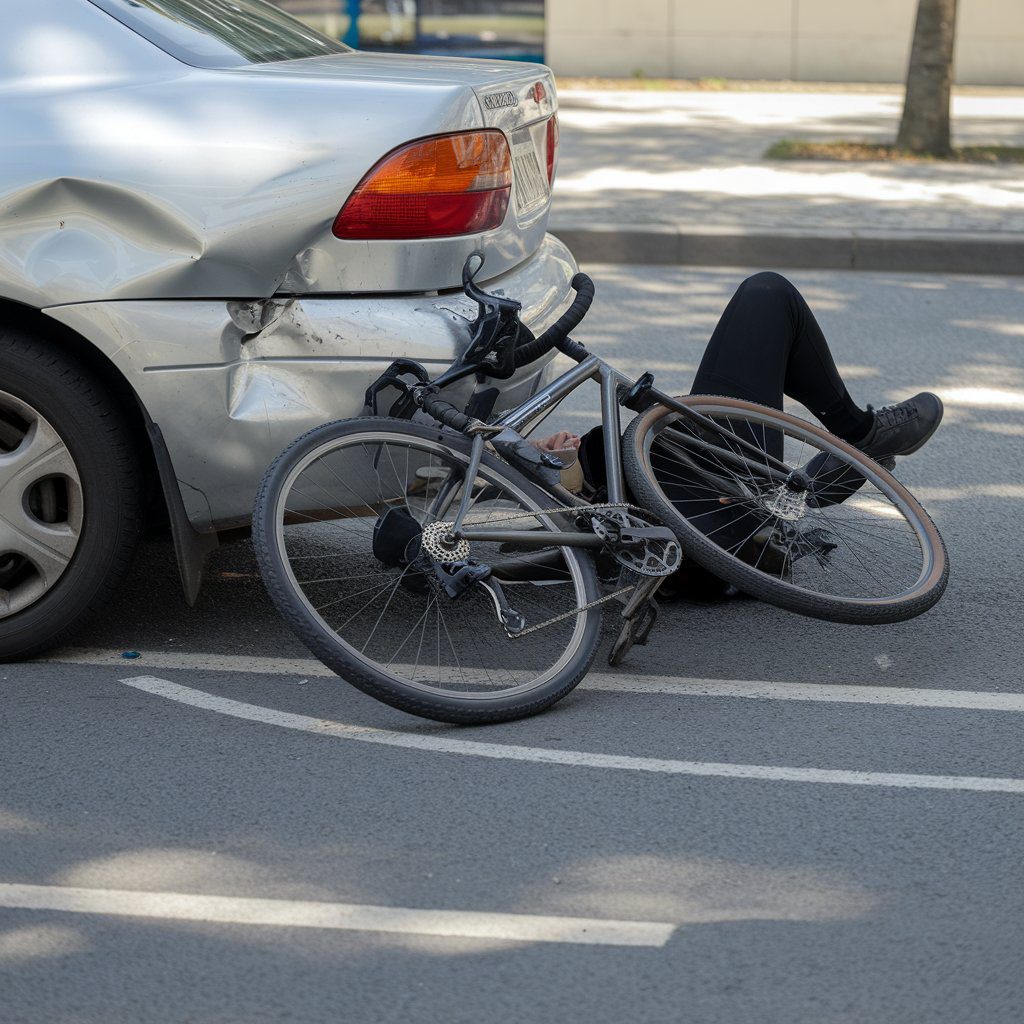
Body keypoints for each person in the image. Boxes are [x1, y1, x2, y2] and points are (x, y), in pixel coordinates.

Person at [532, 271, 944, 596]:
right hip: (686, 518)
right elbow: (529, 537)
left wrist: (548, 459)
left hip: (675, 490)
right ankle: (855, 439)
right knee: (767, 296)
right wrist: (560, 477)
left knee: (766, 300)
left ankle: (823, 472)